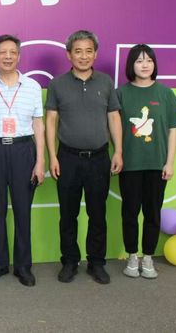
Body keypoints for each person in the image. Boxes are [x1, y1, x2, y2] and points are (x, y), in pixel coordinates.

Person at [45, 30, 123, 285]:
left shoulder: (106, 82)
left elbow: (114, 118)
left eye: (88, 51)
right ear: (69, 55)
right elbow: (51, 121)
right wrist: (52, 156)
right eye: (77, 51)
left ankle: (96, 262)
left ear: (95, 54)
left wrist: (118, 151)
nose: (83, 56)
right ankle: (69, 261)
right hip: (67, 158)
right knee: (68, 215)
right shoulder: (57, 84)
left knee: (97, 214)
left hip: (99, 158)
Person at [0, 35, 45, 287]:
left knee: (23, 211)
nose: (8, 56)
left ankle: (23, 266)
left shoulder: (33, 87)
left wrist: (40, 161)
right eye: (2, 52)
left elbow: (38, 124)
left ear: (19, 56)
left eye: (13, 52)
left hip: (24, 150)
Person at [117, 44, 176, 279]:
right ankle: (132, 256)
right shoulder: (121, 93)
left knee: (153, 213)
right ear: (131, 65)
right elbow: (114, 129)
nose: (144, 65)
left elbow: (173, 131)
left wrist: (170, 162)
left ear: (154, 64)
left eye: (149, 60)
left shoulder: (165, 93)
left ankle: (147, 257)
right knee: (130, 212)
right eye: (139, 61)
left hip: (157, 165)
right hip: (130, 165)